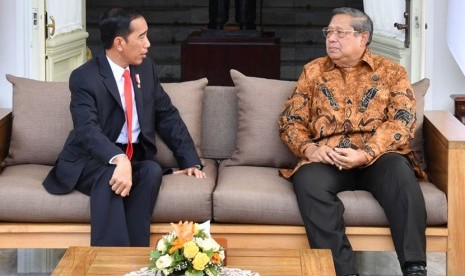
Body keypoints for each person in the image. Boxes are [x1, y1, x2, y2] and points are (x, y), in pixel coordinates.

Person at [278, 7, 427, 276]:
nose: (331, 38)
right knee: (307, 181)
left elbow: (402, 121)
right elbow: (290, 119)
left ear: (363, 38)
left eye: (340, 33)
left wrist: (366, 153)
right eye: (329, 32)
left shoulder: (392, 73)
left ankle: (414, 266)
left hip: (378, 157)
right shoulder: (313, 72)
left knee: (400, 173)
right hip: (329, 157)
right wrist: (310, 149)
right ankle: (343, 272)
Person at [43, 7, 206, 247]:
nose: (148, 43)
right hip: (90, 159)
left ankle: (136, 258)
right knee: (111, 177)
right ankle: (110, 263)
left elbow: (167, 115)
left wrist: (190, 161)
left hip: (134, 157)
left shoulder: (145, 69)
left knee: (150, 171)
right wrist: (119, 160)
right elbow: (87, 129)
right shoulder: (84, 78)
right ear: (119, 43)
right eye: (141, 37)